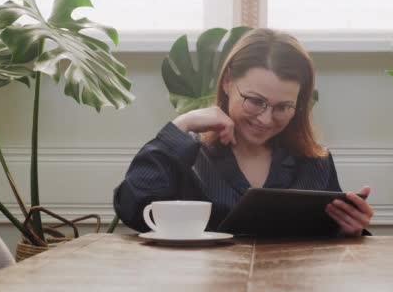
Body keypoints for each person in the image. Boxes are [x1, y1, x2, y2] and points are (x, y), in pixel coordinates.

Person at [113, 28, 373, 236]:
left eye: (283, 107)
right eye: (255, 100)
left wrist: (349, 228)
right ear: (227, 82)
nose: (266, 119)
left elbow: (327, 242)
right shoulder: (187, 155)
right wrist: (181, 125)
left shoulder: (316, 163)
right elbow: (134, 211)